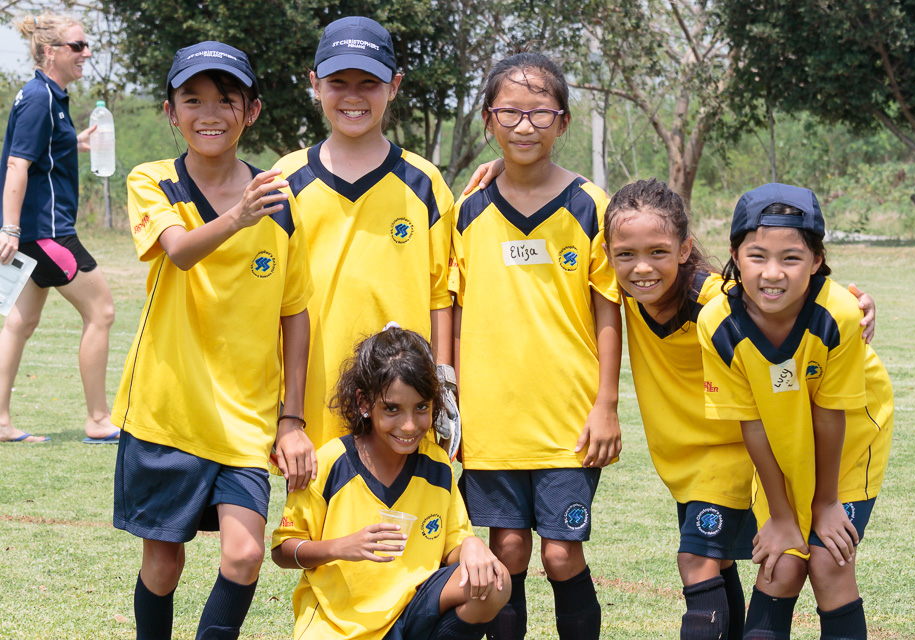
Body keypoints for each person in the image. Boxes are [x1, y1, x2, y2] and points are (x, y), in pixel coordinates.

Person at [603, 178, 876, 639]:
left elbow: (785, 306)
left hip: (757, 448)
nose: (642, 266)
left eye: (658, 252)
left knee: (788, 563)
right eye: (626, 254)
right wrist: (507, 166)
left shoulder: (721, 307)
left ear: (684, 249)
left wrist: (851, 308)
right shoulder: (625, 287)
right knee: (762, 565)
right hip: (710, 452)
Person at [111, 42, 316, 640]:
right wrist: (237, 217)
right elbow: (177, 251)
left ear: (250, 111)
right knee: (163, 565)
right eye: (191, 99)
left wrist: (291, 417)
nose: (209, 113)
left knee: (245, 556)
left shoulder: (280, 201)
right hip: (166, 411)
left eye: (226, 100)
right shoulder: (154, 180)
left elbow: (295, 312)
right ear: (171, 113)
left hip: (245, 418)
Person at [451, 52, 621, 640]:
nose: (525, 126)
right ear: (488, 120)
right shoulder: (466, 210)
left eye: (541, 112)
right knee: (507, 549)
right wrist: (450, 402)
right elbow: (452, 309)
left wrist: (606, 404)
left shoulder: (591, 206)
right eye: (510, 112)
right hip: (490, 417)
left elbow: (608, 308)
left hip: (568, 418)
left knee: (561, 553)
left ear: (564, 121)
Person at [697, 183, 894, 639]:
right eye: (757, 256)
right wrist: (783, 517)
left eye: (791, 258)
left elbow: (830, 414)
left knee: (828, 561)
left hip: (850, 440)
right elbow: (751, 423)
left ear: (817, 260)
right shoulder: (718, 324)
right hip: (779, 437)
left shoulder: (837, 313)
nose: (773, 273)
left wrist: (825, 504)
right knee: (781, 565)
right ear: (735, 255)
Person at [273, 16, 464, 451]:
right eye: (338, 82)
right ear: (314, 84)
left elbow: (441, 296)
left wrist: (443, 388)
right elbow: (271, 301)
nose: (353, 96)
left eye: (370, 83)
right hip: (313, 401)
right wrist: (287, 411)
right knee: (324, 494)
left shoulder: (425, 182)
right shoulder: (286, 179)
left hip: (406, 404)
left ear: (394, 86)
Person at [272, 326, 509, 640]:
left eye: (421, 407)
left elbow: (454, 544)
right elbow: (283, 550)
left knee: (495, 581)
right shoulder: (330, 462)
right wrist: (341, 547)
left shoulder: (437, 465)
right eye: (392, 409)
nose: (409, 425)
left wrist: (472, 546)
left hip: (412, 612)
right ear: (364, 403)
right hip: (339, 625)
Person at [0, 11, 116, 444]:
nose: (86, 53)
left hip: (37, 231)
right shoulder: (40, 98)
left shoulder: (46, 95)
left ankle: (1, 422)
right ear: (50, 52)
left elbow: (40, 151)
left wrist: (75, 141)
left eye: (86, 45)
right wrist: (10, 230)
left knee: (20, 322)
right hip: (46, 232)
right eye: (78, 46)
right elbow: (17, 164)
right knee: (101, 311)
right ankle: (99, 420)